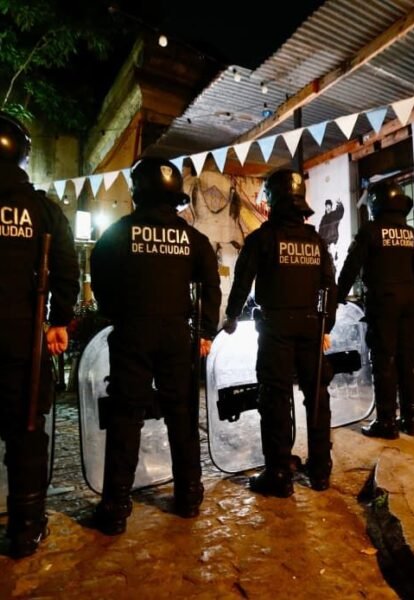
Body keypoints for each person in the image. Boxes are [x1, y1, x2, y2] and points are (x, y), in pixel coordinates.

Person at [90, 157, 221, 535]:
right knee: (182, 414)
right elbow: (211, 284)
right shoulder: (192, 238)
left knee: (125, 416)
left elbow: (100, 280)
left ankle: (116, 507)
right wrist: (205, 331)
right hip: (177, 335)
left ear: (138, 192)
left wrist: (118, 314)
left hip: (132, 332)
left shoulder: (118, 233)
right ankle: (189, 495)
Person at [223, 169, 337, 498]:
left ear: (272, 200)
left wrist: (231, 316)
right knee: (318, 396)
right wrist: (325, 326)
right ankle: (320, 470)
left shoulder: (262, 238)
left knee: (275, 399)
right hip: (310, 327)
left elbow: (242, 280)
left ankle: (279, 473)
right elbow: (329, 285)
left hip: (275, 329)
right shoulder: (316, 241)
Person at [0, 112, 80, 558]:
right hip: (21, 339)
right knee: (26, 432)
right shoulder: (42, 209)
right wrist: (58, 322)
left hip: (22, 337)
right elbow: (67, 270)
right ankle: (26, 527)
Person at [337, 181, 414, 439]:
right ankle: (412, 419)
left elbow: (351, 266)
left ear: (377, 204)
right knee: (409, 360)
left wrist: (337, 296)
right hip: (411, 301)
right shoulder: (412, 234)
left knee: (384, 361)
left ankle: (387, 422)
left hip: (383, 301)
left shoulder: (371, 231)